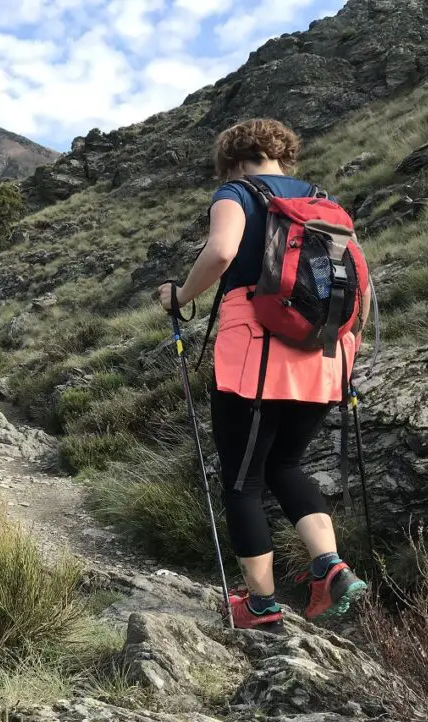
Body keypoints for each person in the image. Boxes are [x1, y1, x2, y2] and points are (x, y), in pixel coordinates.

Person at [158, 118, 370, 633]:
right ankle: (331, 568)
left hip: (255, 359)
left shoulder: (237, 192)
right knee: (286, 466)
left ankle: (260, 606)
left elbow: (223, 251)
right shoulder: (327, 204)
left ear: (231, 157)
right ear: (282, 154)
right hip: (324, 360)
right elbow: (356, 290)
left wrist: (178, 297)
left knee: (241, 481)